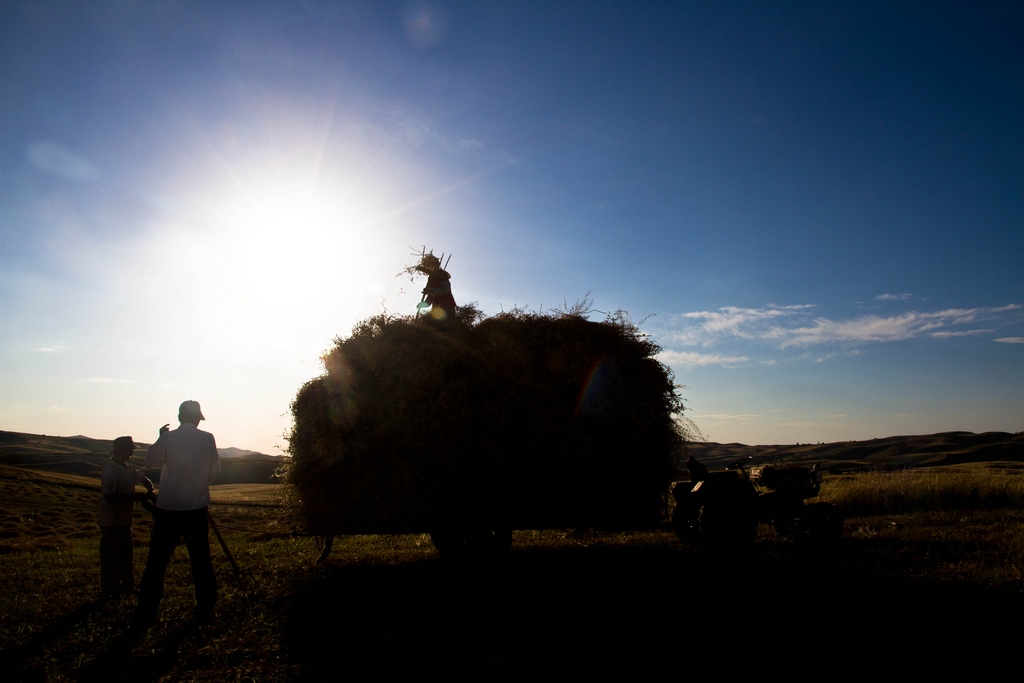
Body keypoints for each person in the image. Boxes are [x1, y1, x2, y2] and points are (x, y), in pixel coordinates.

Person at [135, 400, 221, 626]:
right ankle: (206, 606)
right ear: (196, 418)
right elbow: (215, 470)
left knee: (157, 561)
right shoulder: (207, 438)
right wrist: (199, 484)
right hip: (196, 509)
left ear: (179, 417)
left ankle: (147, 607)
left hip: (168, 509)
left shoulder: (169, 438)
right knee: (201, 560)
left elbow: (149, 462)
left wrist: (160, 437)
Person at [97, 436, 154, 602]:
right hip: (110, 521)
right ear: (120, 451)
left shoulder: (128, 468)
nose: (131, 453)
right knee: (111, 557)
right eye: (129, 450)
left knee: (126, 555)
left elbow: (144, 480)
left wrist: (149, 489)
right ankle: (110, 590)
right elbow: (110, 497)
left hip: (124, 520)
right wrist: (135, 498)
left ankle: (127, 586)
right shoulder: (110, 471)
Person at [420, 254, 457, 320]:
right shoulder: (431, 278)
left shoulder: (442, 275)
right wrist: (424, 304)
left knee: (446, 326)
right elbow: (430, 296)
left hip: (447, 305)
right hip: (437, 308)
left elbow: (446, 290)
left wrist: (431, 290)